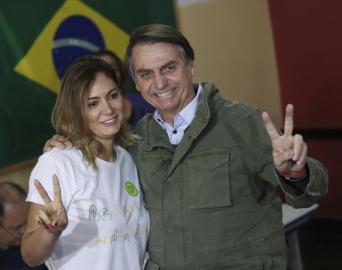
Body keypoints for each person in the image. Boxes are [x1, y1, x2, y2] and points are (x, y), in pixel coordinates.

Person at [45, 24, 328, 269]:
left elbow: (308, 194)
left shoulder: (241, 122)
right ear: (137, 82)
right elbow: (100, 158)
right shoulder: (136, 140)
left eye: (169, 68)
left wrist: (295, 171)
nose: (159, 82)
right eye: (146, 74)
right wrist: (66, 145)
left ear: (190, 66)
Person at [21, 56, 149, 270]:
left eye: (113, 95)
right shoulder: (57, 163)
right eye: (93, 103)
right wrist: (50, 230)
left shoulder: (126, 159)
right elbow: (30, 255)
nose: (108, 109)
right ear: (75, 111)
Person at [93, 49, 154, 125]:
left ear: (121, 71)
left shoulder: (145, 103)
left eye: (113, 70)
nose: (108, 76)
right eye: (101, 71)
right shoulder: (88, 113)